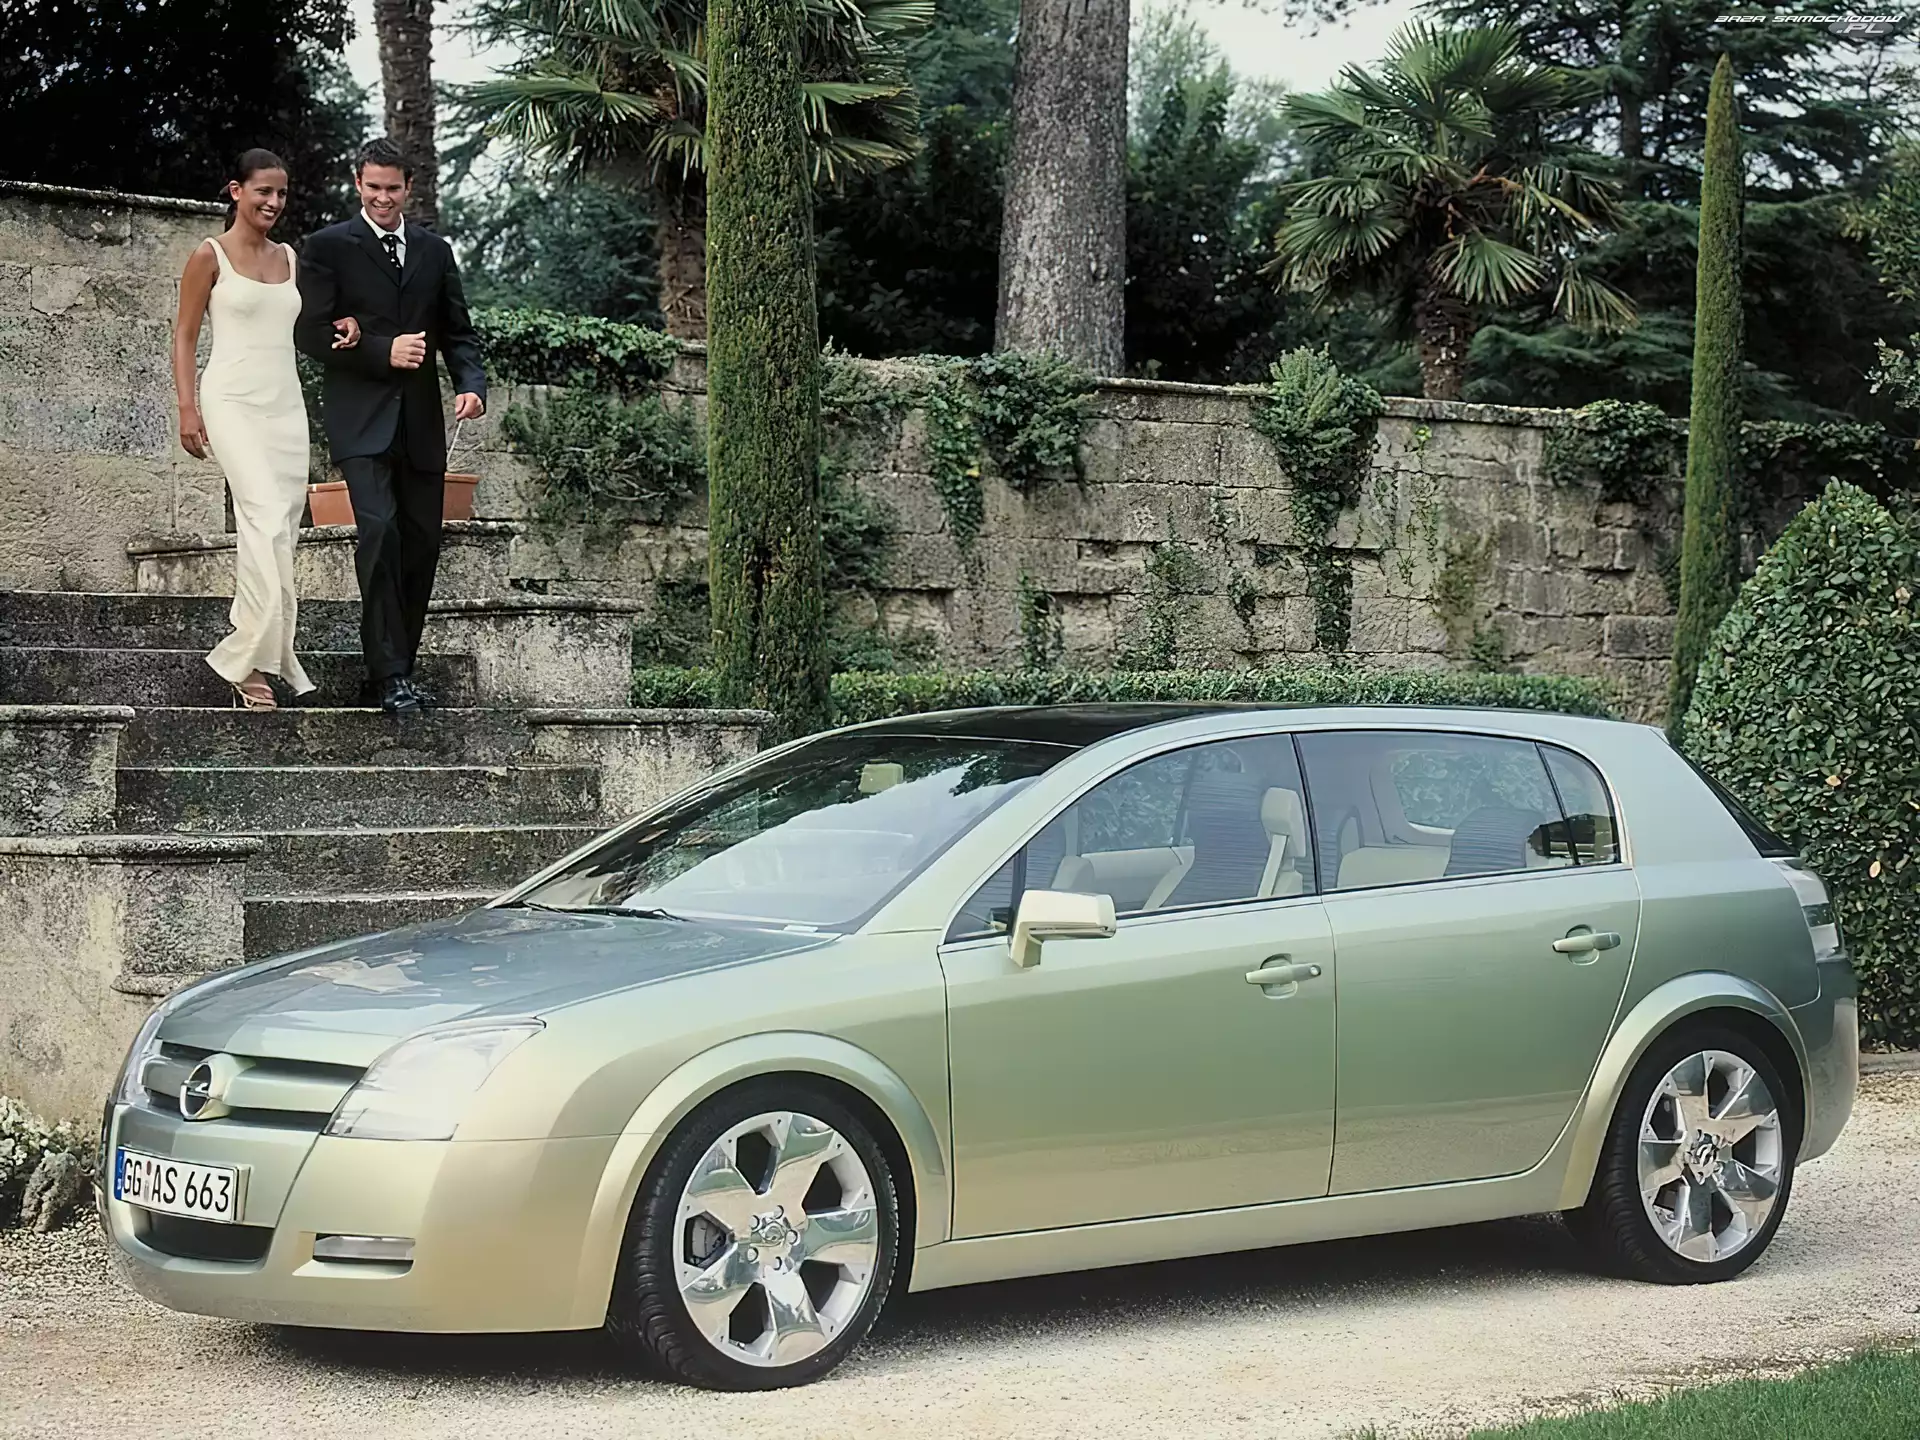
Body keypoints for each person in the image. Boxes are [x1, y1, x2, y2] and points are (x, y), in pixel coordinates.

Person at [294, 136, 487, 714]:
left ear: (409, 188)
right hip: (360, 422)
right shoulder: (327, 247)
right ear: (358, 184)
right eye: (373, 187)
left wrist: (471, 384)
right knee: (379, 531)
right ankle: (391, 674)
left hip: (421, 424)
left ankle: (393, 670)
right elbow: (310, 334)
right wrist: (383, 350)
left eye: (393, 188)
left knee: (421, 546)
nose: (383, 197)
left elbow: (458, 330)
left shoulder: (435, 250)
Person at [172, 149, 358, 710]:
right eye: (263, 192)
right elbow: (184, 336)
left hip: (285, 407)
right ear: (237, 191)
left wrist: (347, 325)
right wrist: (187, 407)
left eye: (281, 194)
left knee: (282, 529)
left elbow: (309, 327)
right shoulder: (209, 256)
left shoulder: (290, 258)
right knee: (261, 513)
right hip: (230, 399)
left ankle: (260, 652)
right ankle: (244, 659)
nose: (274, 202)